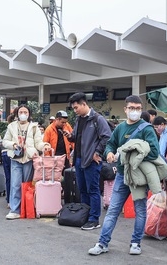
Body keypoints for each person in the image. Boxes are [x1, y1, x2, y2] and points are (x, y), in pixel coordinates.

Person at [88, 95, 160, 256]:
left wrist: (128, 154)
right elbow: (110, 144)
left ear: (141, 110)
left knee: (140, 210)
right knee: (113, 210)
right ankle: (102, 243)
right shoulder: (120, 128)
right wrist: (109, 153)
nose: (134, 111)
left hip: (138, 177)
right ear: (125, 109)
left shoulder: (147, 128)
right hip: (121, 175)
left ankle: (136, 243)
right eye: (132, 108)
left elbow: (154, 152)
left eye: (138, 108)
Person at [65, 92, 111, 230]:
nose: (75, 110)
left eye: (76, 107)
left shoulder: (97, 119)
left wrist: (97, 153)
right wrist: (70, 136)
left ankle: (94, 219)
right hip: (79, 159)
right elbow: (76, 137)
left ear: (84, 104)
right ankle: (85, 215)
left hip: (91, 161)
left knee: (93, 189)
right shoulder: (79, 119)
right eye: (73, 108)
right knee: (82, 190)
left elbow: (107, 137)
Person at [2, 105, 50, 220]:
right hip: (16, 157)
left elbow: (38, 142)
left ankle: (26, 208)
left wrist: (44, 146)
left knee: (27, 184)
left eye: (25, 112)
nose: (23, 114)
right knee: (15, 184)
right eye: (21, 112)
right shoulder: (11, 126)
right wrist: (13, 145)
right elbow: (5, 141)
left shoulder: (34, 127)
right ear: (17, 113)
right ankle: (15, 210)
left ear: (29, 114)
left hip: (29, 158)